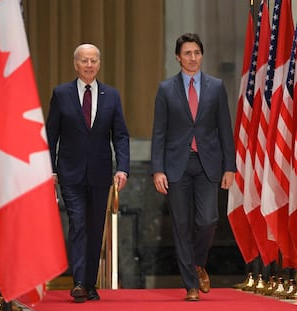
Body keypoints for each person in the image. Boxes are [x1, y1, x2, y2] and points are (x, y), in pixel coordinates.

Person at [150, 33, 236, 301]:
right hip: (176, 165)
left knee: (208, 220)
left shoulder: (216, 86)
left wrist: (229, 167)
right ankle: (191, 285)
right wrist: (158, 169)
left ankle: (198, 263)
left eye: (197, 53)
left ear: (201, 55)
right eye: (187, 53)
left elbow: (225, 129)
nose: (193, 58)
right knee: (181, 224)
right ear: (178, 57)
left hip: (208, 164)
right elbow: (159, 133)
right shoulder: (166, 89)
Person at [46, 43, 130, 303]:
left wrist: (123, 168)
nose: (89, 65)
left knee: (95, 230)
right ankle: (80, 282)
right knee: (78, 225)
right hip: (69, 174)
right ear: (76, 64)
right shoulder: (61, 94)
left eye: (94, 60)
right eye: (85, 60)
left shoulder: (111, 96)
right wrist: (50, 171)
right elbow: (51, 136)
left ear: (99, 64)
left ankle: (90, 283)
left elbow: (121, 135)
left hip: (100, 173)